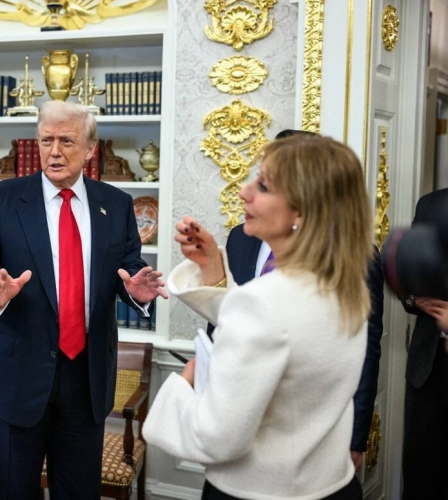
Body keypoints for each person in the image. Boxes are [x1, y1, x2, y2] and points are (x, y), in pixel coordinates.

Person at [145, 135, 371, 499]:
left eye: (263, 186)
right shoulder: (345, 288)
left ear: (301, 211)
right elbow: (277, 328)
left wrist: (184, 384)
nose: (244, 191)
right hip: (331, 486)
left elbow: (217, 438)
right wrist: (214, 270)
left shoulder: (264, 302)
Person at [0, 100, 167, 499]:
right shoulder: (0, 200)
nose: (54, 151)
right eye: (46, 140)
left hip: (86, 378)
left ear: (90, 149)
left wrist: (136, 292)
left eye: (67, 141)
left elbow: (128, 269)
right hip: (16, 374)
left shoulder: (116, 204)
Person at [221, 129, 384, 473]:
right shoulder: (239, 238)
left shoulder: (356, 258)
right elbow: (230, 320)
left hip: (314, 445)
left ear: (302, 199)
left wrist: (356, 438)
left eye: (265, 185)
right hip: (238, 430)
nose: (245, 192)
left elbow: (365, 349)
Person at [399, 187, 448, 499]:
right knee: (422, 477)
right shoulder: (430, 205)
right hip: (429, 370)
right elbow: (408, 276)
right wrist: (414, 298)